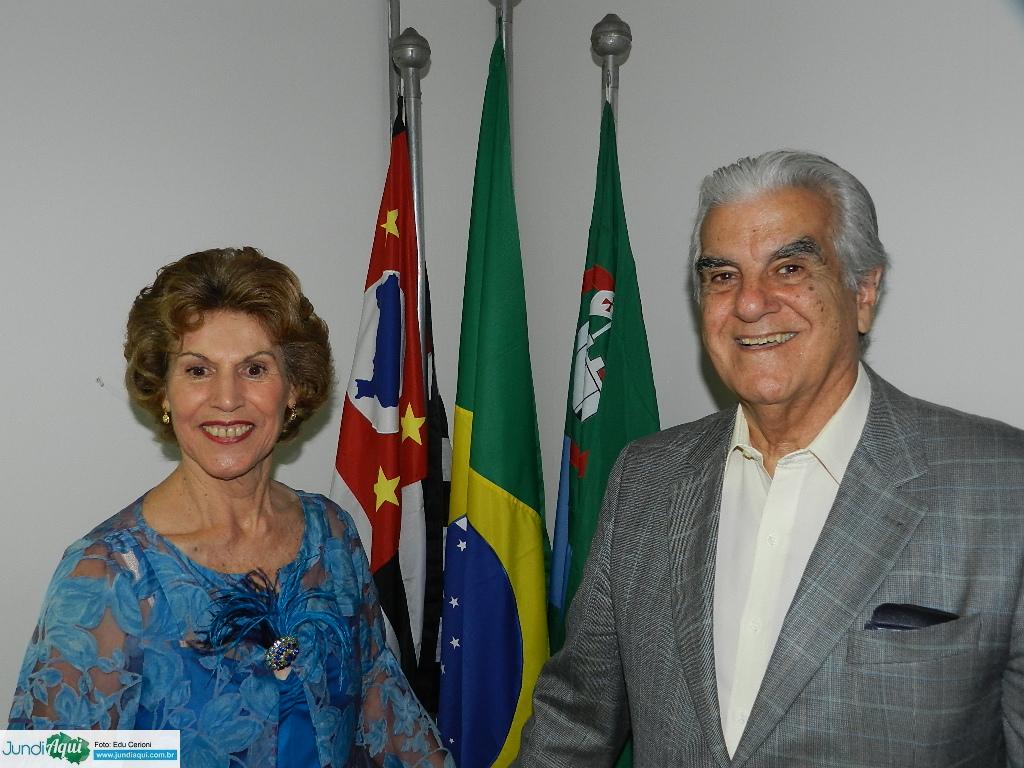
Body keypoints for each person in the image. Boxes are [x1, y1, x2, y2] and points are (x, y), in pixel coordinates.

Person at [515, 151, 1024, 766]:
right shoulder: (646, 479)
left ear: (863, 290)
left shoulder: (1003, 488)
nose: (751, 304)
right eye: (722, 276)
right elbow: (575, 721)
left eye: (789, 268)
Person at [8, 247, 453, 767]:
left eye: (255, 369)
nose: (227, 398)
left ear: (293, 389)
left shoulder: (332, 535)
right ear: (165, 393)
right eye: (198, 370)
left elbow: (383, 711)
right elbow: (52, 760)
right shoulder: (108, 576)